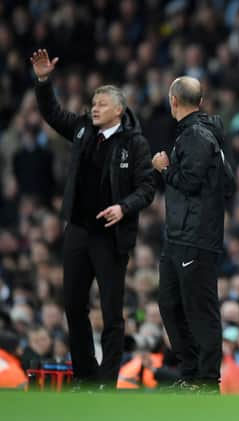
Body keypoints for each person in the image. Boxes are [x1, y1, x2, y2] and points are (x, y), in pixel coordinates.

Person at [30, 49, 155, 389]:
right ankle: (85, 375)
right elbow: (52, 113)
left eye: (101, 103)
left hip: (111, 237)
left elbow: (148, 186)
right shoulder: (83, 129)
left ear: (119, 109)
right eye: (93, 102)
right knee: (72, 304)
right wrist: (43, 81)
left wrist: (124, 207)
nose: (94, 107)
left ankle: (107, 380)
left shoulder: (135, 143)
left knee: (112, 312)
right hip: (79, 231)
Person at [152, 76, 226, 393]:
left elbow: (190, 181)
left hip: (195, 236)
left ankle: (206, 380)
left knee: (198, 307)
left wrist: (165, 168)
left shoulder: (196, 135)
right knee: (170, 302)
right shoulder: (203, 134)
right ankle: (191, 372)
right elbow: (229, 182)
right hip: (181, 235)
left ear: (173, 101)